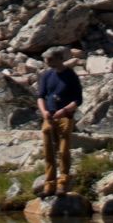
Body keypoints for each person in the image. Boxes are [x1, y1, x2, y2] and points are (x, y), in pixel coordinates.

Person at [35, 46, 83, 194]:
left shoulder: (71, 76)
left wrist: (64, 111)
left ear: (60, 59)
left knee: (63, 150)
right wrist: (44, 112)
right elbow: (41, 96)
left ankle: (63, 182)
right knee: (48, 151)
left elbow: (78, 100)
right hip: (49, 117)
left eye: (50, 60)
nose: (48, 62)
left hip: (65, 117)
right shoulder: (46, 75)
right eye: (46, 60)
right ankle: (49, 184)